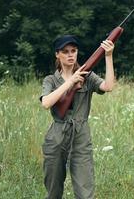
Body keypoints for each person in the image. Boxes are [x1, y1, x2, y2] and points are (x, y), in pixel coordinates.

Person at [39, 34, 115, 199]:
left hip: (81, 135)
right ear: (57, 54)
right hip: (57, 135)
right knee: (53, 191)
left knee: (85, 190)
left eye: (73, 50)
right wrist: (71, 82)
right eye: (65, 51)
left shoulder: (87, 75)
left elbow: (108, 86)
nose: (70, 54)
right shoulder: (51, 80)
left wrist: (108, 56)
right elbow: (46, 103)